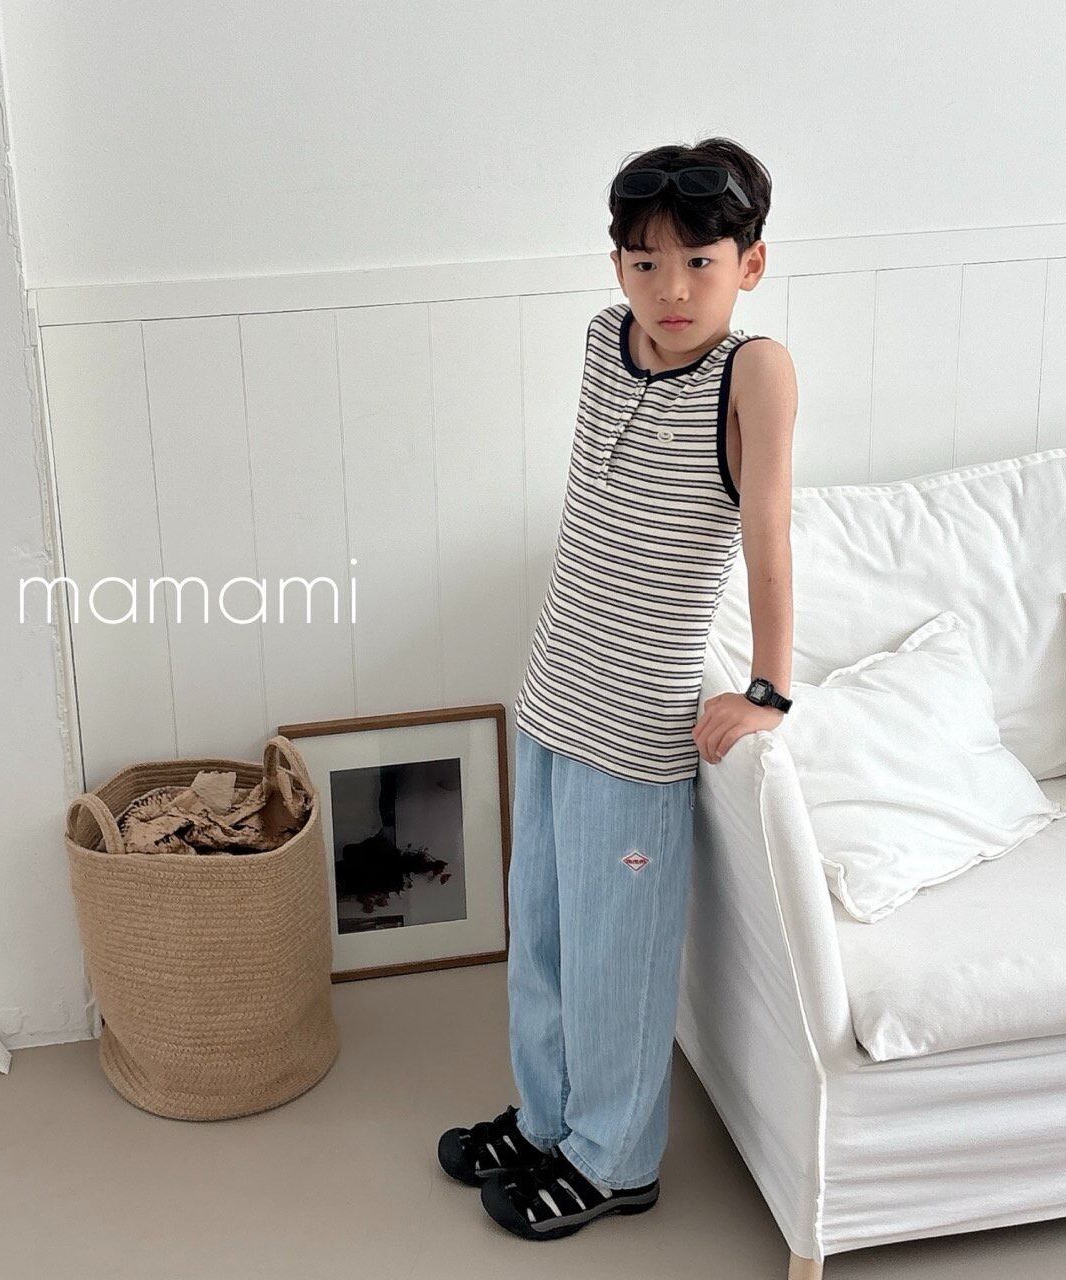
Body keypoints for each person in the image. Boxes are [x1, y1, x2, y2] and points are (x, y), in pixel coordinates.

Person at [437, 137, 798, 1240]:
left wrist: (768, 687)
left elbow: (768, 534)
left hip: (637, 726)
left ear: (749, 264)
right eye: (645, 264)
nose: (671, 289)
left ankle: (613, 1158)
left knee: (614, 958)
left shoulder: (753, 371)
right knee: (541, 937)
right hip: (553, 693)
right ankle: (548, 1117)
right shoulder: (606, 340)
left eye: (699, 262)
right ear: (616, 269)